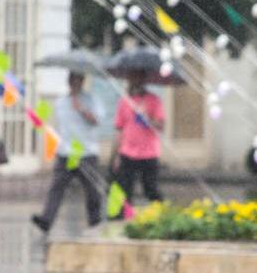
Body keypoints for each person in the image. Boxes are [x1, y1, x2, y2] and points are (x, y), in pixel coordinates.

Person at [31, 72, 105, 233]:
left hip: (86, 152)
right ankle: (47, 220)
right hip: (65, 152)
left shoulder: (91, 100)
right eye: (71, 80)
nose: (74, 83)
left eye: (77, 80)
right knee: (56, 187)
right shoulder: (60, 102)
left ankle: (95, 221)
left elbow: (97, 121)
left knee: (92, 190)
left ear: (82, 81)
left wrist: (82, 110)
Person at [109, 70, 165, 215]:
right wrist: (115, 155)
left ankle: (163, 214)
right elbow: (119, 129)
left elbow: (161, 125)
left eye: (138, 77)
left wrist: (146, 116)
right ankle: (121, 218)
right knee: (124, 189)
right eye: (132, 77)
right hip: (127, 152)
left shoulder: (154, 100)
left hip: (149, 153)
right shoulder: (124, 101)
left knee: (150, 189)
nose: (135, 81)